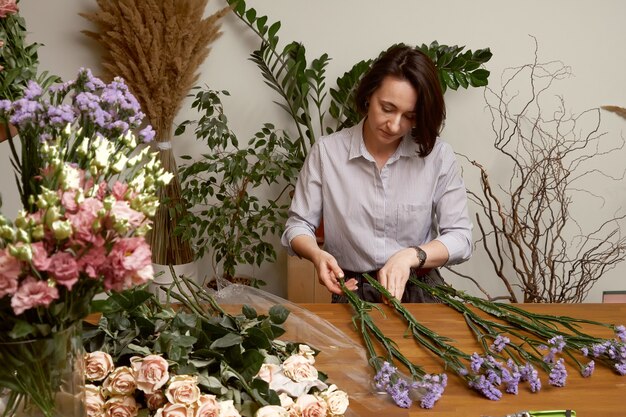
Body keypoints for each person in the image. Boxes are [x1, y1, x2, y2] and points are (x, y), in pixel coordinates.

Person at [281, 44, 472, 303]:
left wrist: (411, 256)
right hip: (353, 291)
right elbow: (298, 225)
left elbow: (461, 237)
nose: (394, 125)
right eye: (387, 108)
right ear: (369, 94)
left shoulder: (437, 156)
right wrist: (317, 255)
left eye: (409, 116)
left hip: (420, 289)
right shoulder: (327, 153)